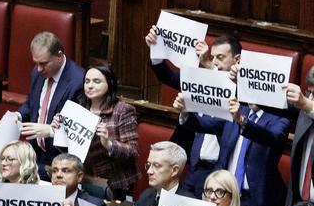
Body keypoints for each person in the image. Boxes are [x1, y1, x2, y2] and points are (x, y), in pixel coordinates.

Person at [173, 93, 289, 206]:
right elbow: (204, 124)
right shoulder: (237, 110)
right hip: (224, 197)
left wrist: (243, 121)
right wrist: (185, 111)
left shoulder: (279, 118)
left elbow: (273, 138)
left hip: (255, 202)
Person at [145, 29, 241, 196]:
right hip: (194, 167)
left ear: (236, 59)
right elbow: (168, 77)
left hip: (221, 170)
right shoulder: (201, 80)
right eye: (213, 57)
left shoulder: (243, 91)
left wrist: (209, 65)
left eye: (221, 58)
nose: (216, 62)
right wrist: (157, 48)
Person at [16, 32, 86, 172]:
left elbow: (80, 129)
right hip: (35, 156)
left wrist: (51, 130)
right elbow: (31, 103)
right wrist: (18, 115)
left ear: (59, 56)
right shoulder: (38, 73)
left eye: (43, 63)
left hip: (62, 161)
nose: (39, 69)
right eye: (36, 63)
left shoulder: (79, 80)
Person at [71, 65, 139, 196]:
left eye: (97, 81)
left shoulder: (123, 110)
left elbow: (133, 152)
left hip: (116, 184)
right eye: (87, 81)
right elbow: (72, 150)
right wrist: (59, 132)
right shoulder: (78, 110)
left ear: (110, 83)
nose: (90, 86)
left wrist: (109, 144)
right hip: (85, 180)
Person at [285, 68, 314, 204]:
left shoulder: (308, 105)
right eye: (310, 93)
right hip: (298, 203)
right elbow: (272, 105)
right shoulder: (305, 107)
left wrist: (308, 105)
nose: (311, 98)